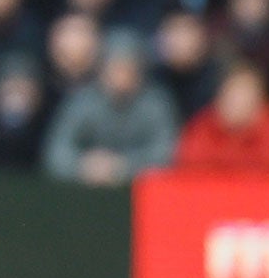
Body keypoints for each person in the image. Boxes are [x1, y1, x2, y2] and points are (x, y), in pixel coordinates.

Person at [42, 29, 180, 184]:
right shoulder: (83, 101)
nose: (121, 76)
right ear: (102, 68)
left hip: (140, 193)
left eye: (128, 68)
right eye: (115, 67)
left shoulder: (156, 103)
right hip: (85, 193)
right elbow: (56, 151)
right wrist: (84, 166)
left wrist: (122, 167)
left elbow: (166, 154)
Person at [173, 61, 269, 171]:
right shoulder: (202, 127)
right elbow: (190, 167)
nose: (238, 103)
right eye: (233, 95)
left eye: (245, 96)